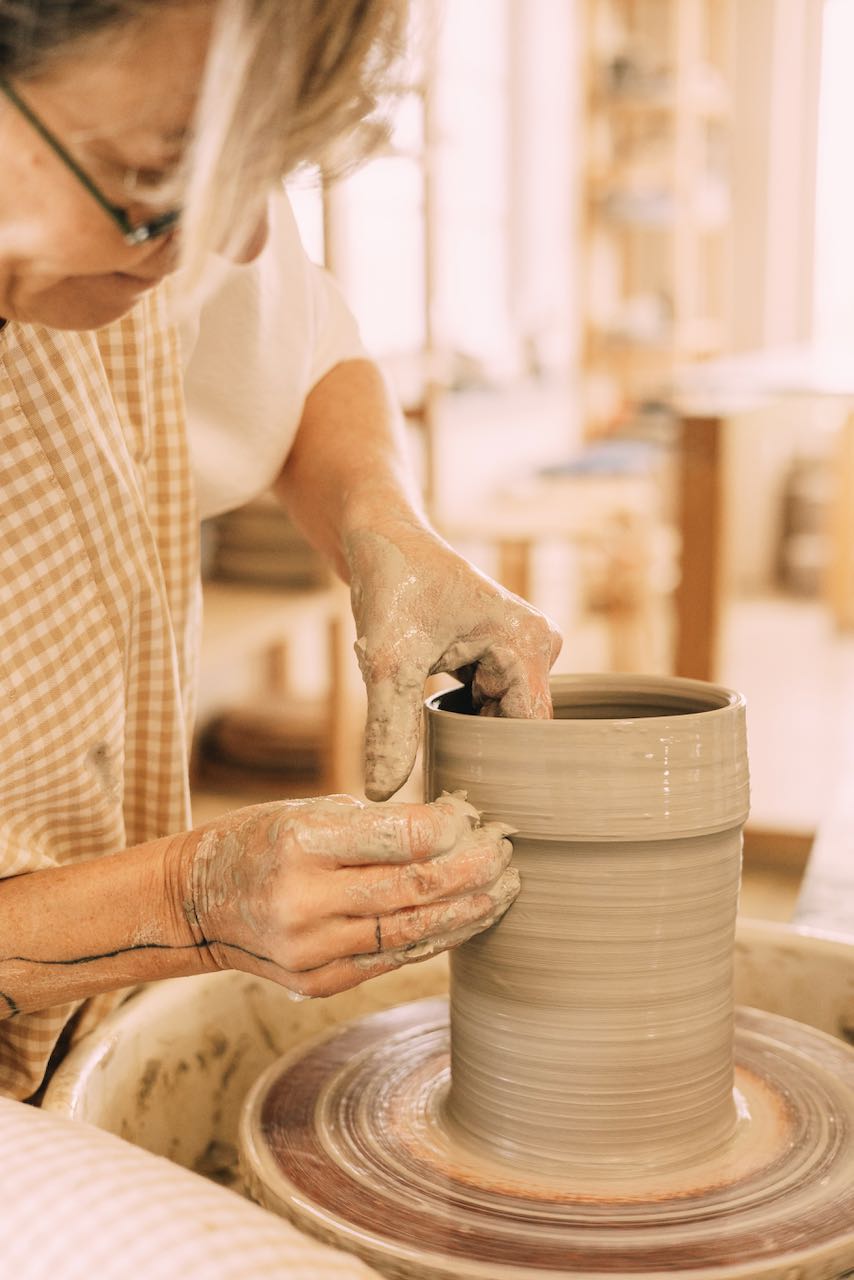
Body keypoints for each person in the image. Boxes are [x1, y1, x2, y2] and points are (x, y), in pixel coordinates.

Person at [0, 0, 561, 1102]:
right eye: (160, 182)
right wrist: (181, 902)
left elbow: (305, 351)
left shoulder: (142, 176)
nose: (234, 238)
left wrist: (383, 525)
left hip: (84, 1026)